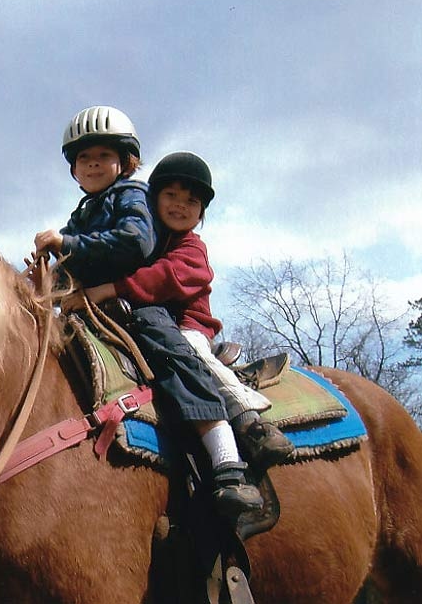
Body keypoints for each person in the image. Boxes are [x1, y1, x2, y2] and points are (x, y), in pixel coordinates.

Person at [36, 107, 263, 517]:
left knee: (176, 353)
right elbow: (76, 267)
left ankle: (229, 453)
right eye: (84, 158)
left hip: (156, 314)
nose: (92, 164)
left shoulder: (134, 200)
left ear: (126, 162)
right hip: (101, 309)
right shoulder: (84, 212)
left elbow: (138, 252)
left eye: (103, 156)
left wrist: (68, 245)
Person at [63, 151, 294, 471]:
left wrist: (110, 289)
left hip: (187, 324)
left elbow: (167, 277)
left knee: (190, 356)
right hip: (152, 321)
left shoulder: (191, 247)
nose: (179, 205)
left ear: (201, 214)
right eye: (170, 195)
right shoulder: (152, 244)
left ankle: (245, 425)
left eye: (191, 201)